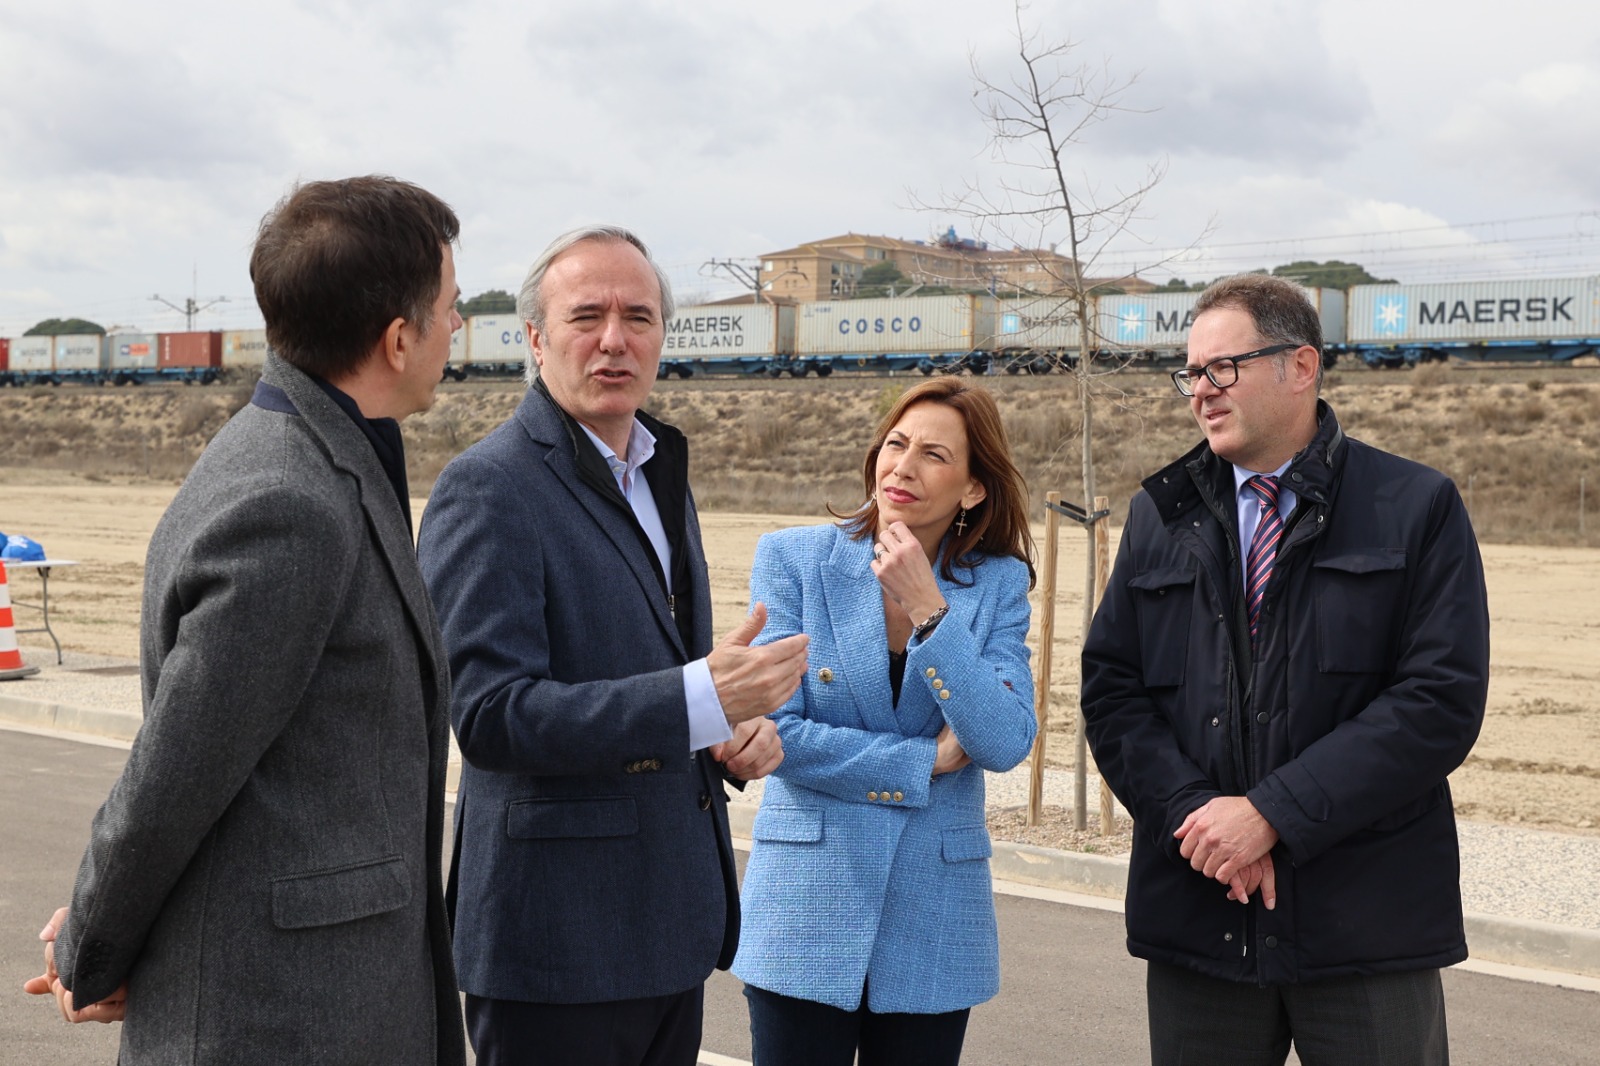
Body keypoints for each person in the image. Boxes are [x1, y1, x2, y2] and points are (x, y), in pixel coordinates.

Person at [23, 176, 468, 1064]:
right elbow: (176, 773)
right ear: (397, 336)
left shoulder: (309, 452)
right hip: (281, 1019)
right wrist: (95, 950)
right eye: (451, 308)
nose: (457, 327)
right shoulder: (290, 501)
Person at [416, 224, 807, 1066]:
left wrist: (723, 731)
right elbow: (490, 716)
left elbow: (660, 681)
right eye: (585, 315)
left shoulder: (661, 470)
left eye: (639, 316)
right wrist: (699, 697)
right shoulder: (488, 488)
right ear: (534, 337)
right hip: (556, 943)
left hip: (668, 926)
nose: (614, 340)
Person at [1081, 273, 1489, 1066]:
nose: (1201, 392)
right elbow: (1113, 692)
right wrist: (1202, 820)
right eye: (1190, 373)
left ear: (1301, 367)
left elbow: (1438, 701)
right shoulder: (1157, 514)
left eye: (1221, 369)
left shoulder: (1415, 506)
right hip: (1202, 919)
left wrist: (1270, 814)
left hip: (1367, 928)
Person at [731, 377, 1038, 1066]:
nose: (903, 465)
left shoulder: (998, 583)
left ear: (972, 488)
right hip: (805, 906)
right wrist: (920, 762)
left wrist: (932, 610)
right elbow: (778, 731)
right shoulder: (794, 560)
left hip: (933, 919)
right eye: (895, 444)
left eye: (934, 454)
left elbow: (1003, 739)